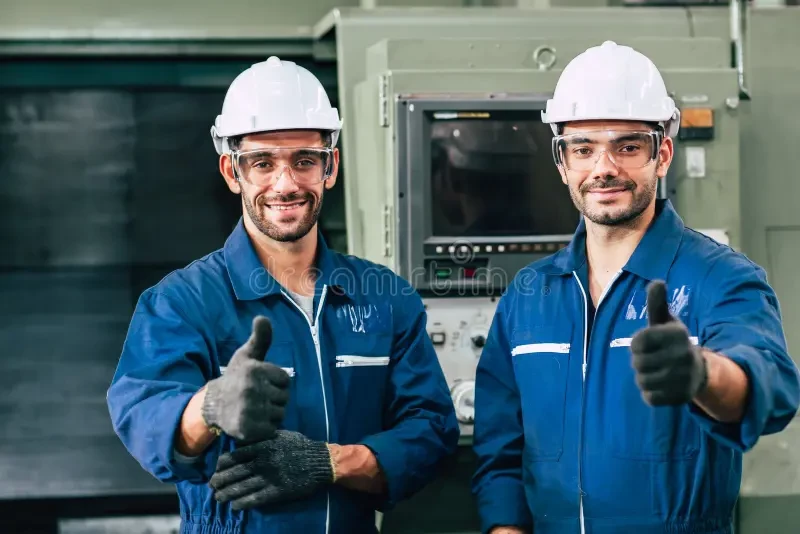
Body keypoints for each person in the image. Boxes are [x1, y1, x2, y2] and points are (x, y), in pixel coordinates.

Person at [107, 56, 459, 534]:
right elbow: (144, 419)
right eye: (262, 163)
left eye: (304, 160)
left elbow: (432, 431)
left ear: (329, 168)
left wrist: (330, 463)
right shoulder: (181, 302)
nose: (286, 183)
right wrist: (209, 407)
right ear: (232, 172)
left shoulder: (386, 299)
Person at [471, 41, 800, 534]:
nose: (604, 168)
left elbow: (770, 387)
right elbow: (501, 453)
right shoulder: (528, 295)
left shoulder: (721, 277)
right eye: (583, 149)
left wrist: (703, 373)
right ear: (562, 164)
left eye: (627, 146)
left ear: (662, 154)